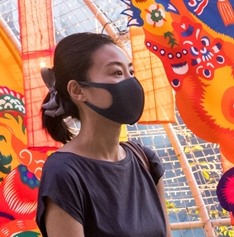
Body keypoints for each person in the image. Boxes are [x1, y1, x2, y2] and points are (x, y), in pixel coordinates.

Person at [37, 32, 171, 237]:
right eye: (117, 73)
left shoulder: (145, 160)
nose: (131, 83)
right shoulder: (63, 173)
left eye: (131, 72)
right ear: (77, 90)